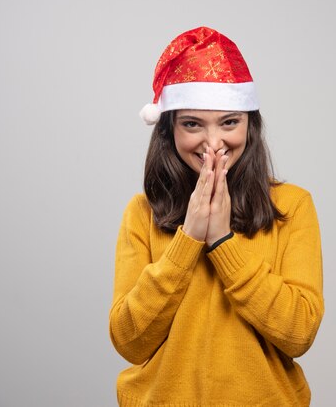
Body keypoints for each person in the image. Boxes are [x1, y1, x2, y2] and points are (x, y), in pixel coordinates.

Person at [109, 26, 324, 407]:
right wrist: (187, 240)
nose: (213, 142)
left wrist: (223, 242)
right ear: (169, 129)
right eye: (192, 124)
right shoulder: (141, 213)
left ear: (250, 125)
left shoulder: (293, 206)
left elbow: (299, 333)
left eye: (229, 122)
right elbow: (128, 340)